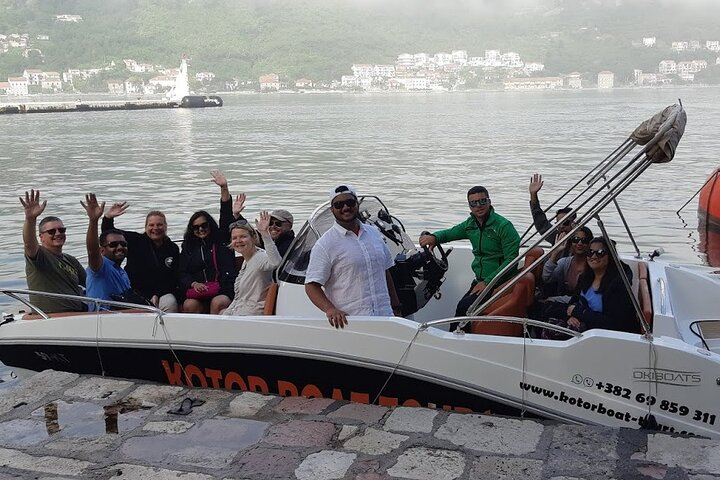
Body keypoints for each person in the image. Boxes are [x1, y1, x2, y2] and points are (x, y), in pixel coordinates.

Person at [305, 185, 401, 328]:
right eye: (338, 204)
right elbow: (311, 285)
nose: (345, 207)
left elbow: (385, 271)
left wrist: (396, 306)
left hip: (386, 317)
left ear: (357, 204)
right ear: (332, 210)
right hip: (352, 323)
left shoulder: (375, 234)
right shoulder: (325, 244)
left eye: (350, 202)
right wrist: (330, 309)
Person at [419, 186, 520, 319]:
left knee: (463, 308)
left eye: (482, 201)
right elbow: (451, 233)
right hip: (480, 280)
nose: (478, 206)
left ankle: (458, 336)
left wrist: (488, 282)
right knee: (461, 308)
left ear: (489, 202)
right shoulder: (470, 225)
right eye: (474, 203)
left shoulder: (503, 226)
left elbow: (511, 260)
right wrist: (434, 237)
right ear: (470, 206)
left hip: (499, 282)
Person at [101, 203, 180, 312]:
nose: (155, 228)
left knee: (170, 302)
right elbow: (109, 233)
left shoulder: (172, 248)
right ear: (146, 227)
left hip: (162, 294)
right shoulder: (135, 240)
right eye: (151, 225)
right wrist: (108, 218)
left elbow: (174, 277)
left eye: (159, 225)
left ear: (166, 226)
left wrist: (157, 294)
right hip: (136, 293)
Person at [20, 189, 86, 313]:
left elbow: (90, 283)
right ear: (41, 237)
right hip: (51, 317)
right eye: (51, 231)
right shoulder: (39, 255)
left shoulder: (71, 260)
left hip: (78, 313)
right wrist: (30, 219)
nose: (58, 234)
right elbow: (29, 243)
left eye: (62, 230)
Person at [564, 236, 640, 334]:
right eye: (590, 252)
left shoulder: (619, 285)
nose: (594, 256)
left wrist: (579, 312)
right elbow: (574, 301)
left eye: (600, 253)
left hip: (607, 336)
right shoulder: (585, 277)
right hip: (586, 327)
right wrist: (571, 316)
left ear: (611, 256)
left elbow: (613, 322)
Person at [212, 170, 295, 256]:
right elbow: (250, 233)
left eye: (278, 224)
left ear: (289, 226)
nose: (273, 226)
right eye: (270, 223)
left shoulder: (289, 245)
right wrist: (237, 215)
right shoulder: (268, 239)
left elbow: (274, 259)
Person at [221, 212, 282, 316]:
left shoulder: (260, 257)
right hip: (240, 310)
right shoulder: (247, 259)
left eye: (243, 236)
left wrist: (265, 235)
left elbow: (276, 262)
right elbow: (239, 299)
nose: (238, 241)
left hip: (251, 315)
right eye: (234, 238)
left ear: (253, 238)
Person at [178, 210, 237, 314]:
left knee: (217, 302)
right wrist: (194, 284)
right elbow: (182, 272)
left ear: (210, 225)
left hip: (221, 288)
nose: (201, 229)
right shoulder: (188, 247)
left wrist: (225, 199)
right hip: (198, 291)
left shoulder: (221, 240)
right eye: (196, 227)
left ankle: (215, 330)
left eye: (204, 225)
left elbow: (226, 218)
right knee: (189, 304)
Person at [81, 193, 130, 311]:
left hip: (123, 318)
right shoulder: (100, 267)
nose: (119, 247)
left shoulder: (122, 272)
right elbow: (92, 250)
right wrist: (93, 220)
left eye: (123, 244)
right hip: (102, 320)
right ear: (102, 250)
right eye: (113, 245)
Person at [542, 226, 594, 299]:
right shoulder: (565, 262)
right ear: (570, 243)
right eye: (576, 240)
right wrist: (555, 253)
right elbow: (547, 278)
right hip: (564, 301)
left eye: (584, 240)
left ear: (589, 244)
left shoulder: (593, 265)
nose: (579, 243)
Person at [528, 173, 576, 245]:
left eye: (565, 223)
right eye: (558, 224)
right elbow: (540, 222)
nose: (561, 226)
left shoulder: (582, 241)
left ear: (574, 223)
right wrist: (533, 194)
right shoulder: (556, 237)